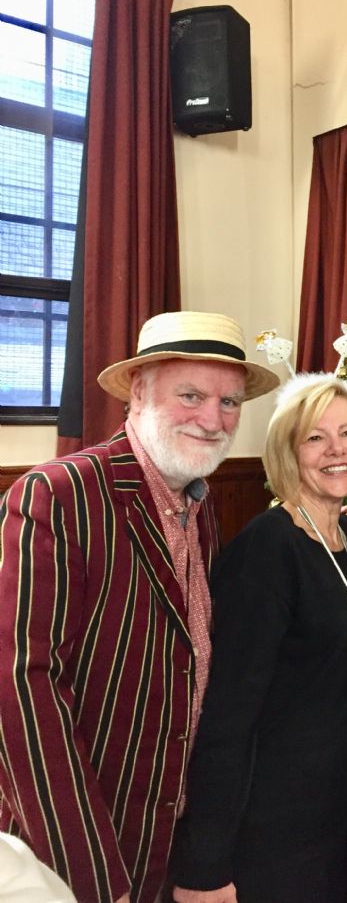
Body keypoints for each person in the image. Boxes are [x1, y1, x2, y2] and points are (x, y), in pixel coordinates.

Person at [0, 311, 278, 903]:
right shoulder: (59, 495)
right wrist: (95, 878)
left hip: (164, 845)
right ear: (139, 392)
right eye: (191, 395)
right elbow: (19, 688)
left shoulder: (199, 512)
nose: (213, 419)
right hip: (71, 857)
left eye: (230, 403)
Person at [171, 374, 347, 903]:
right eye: (315, 438)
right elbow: (227, 715)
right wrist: (206, 864)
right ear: (288, 451)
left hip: (341, 811)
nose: (337, 450)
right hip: (271, 822)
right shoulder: (264, 553)